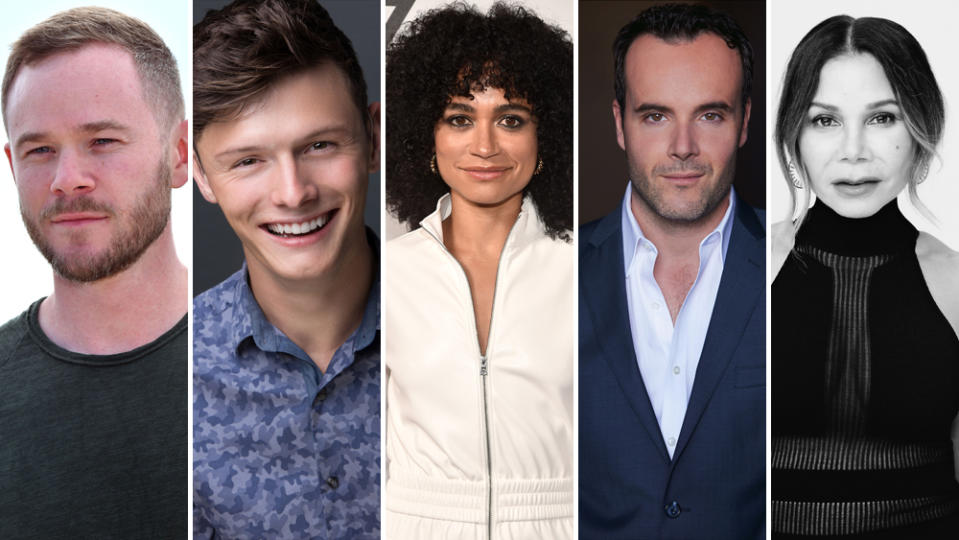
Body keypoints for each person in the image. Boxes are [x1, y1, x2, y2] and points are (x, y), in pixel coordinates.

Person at [191, 0, 381, 537]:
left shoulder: (459, 327)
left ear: (373, 136)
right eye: (248, 161)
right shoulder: (175, 379)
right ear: (203, 177)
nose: (294, 193)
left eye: (319, 145)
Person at [384, 3, 573, 538]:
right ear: (428, 136)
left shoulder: (587, 272)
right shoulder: (385, 275)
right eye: (460, 118)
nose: (485, 146)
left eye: (511, 119)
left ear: (546, 141)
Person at [578, 4, 765, 538]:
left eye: (710, 114)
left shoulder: (795, 262)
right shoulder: (552, 274)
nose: (683, 147)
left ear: (745, 121)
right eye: (655, 115)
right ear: (620, 123)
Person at [0, 7, 188, 538]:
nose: (67, 179)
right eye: (40, 150)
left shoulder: (274, 353)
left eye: (102, 140)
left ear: (177, 153)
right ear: (13, 167)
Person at [771, 15, 959, 538]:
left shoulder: (954, 284)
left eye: (882, 118)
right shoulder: (737, 270)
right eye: (825, 120)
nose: (853, 151)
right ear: (793, 133)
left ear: (923, 125)